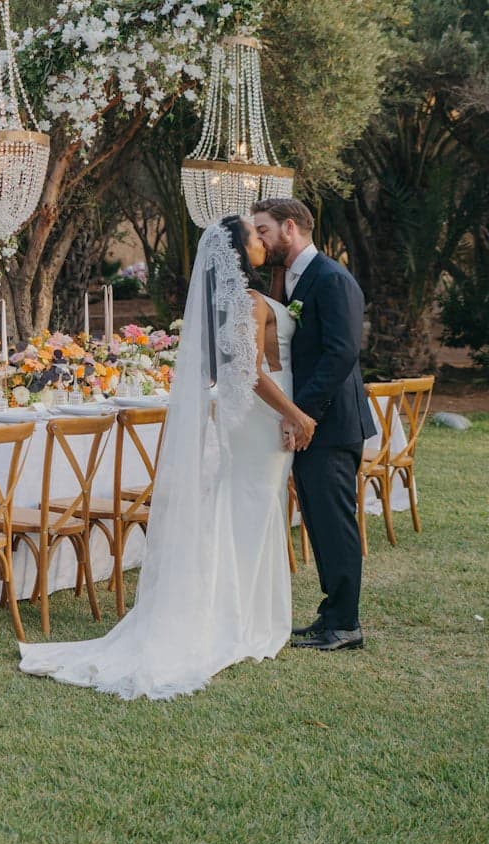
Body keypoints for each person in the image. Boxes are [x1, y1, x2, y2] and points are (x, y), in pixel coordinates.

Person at [16, 217, 314, 699]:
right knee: (249, 516)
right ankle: (237, 619)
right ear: (240, 253)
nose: (262, 240)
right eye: (254, 237)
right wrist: (296, 415)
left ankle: (248, 614)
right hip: (265, 420)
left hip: (262, 421)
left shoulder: (251, 298)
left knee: (250, 517)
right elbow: (251, 373)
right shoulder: (248, 304)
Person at [252, 197, 370, 652]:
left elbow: (341, 352)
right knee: (319, 522)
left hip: (331, 423)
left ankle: (346, 625)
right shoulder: (293, 279)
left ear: (289, 228)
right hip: (311, 423)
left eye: (263, 230)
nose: (259, 240)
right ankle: (332, 615)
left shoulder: (332, 279)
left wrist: (301, 414)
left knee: (334, 522)